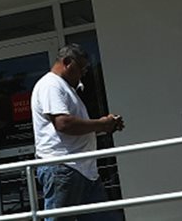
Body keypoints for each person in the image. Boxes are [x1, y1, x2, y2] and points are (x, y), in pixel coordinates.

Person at [31, 44, 124, 221]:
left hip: (83, 170)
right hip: (64, 167)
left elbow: (74, 127)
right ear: (67, 62)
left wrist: (106, 125)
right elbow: (63, 124)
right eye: (81, 68)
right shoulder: (51, 85)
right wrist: (101, 124)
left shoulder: (64, 88)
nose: (82, 74)